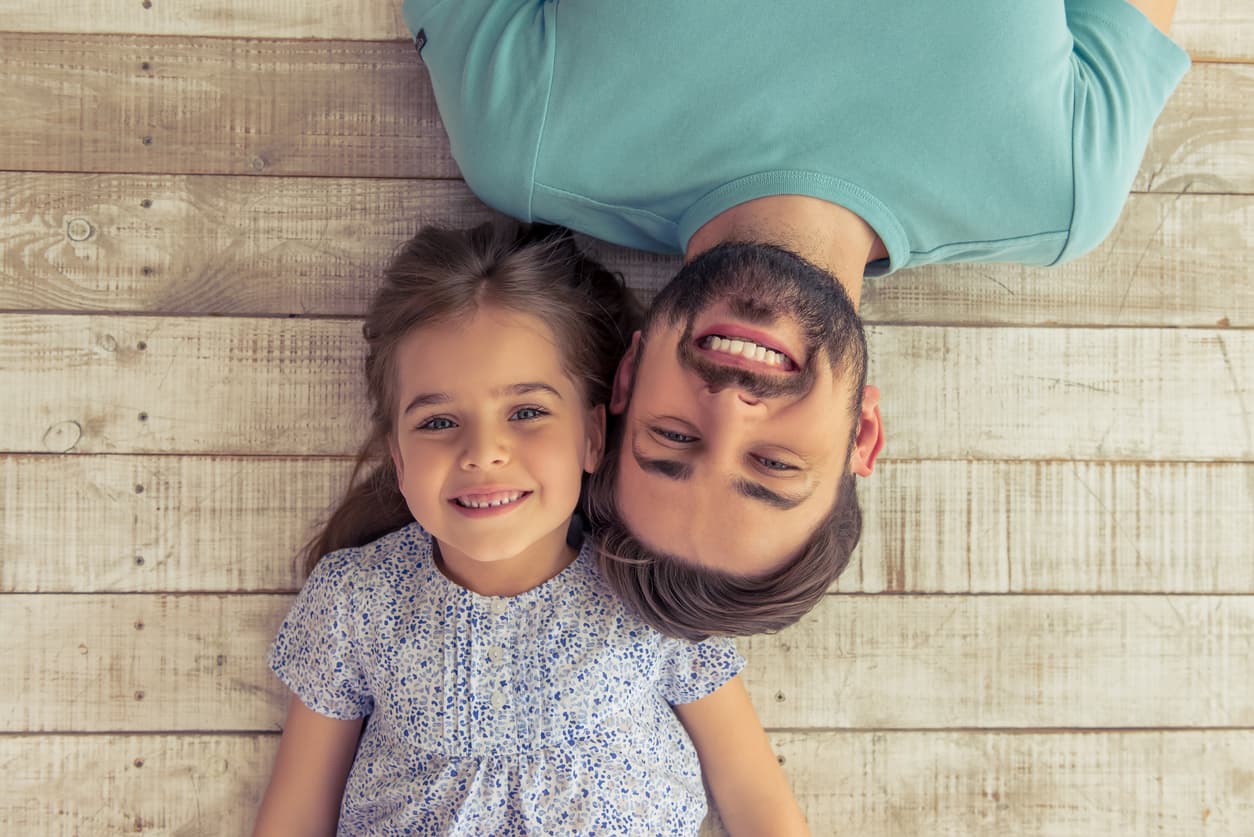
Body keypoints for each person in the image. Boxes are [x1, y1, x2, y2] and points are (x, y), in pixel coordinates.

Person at [398, 0, 1191, 639]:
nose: (733, 405)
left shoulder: (525, 137)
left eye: (673, 438)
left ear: (630, 378)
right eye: (775, 463)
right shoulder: (1061, 189)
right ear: (864, 437)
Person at [251, 222, 810, 835]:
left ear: (593, 436)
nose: (484, 452)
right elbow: (297, 816)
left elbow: (754, 795)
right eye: (438, 422)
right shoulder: (357, 600)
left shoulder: (651, 587)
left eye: (526, 412)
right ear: (399, 460)